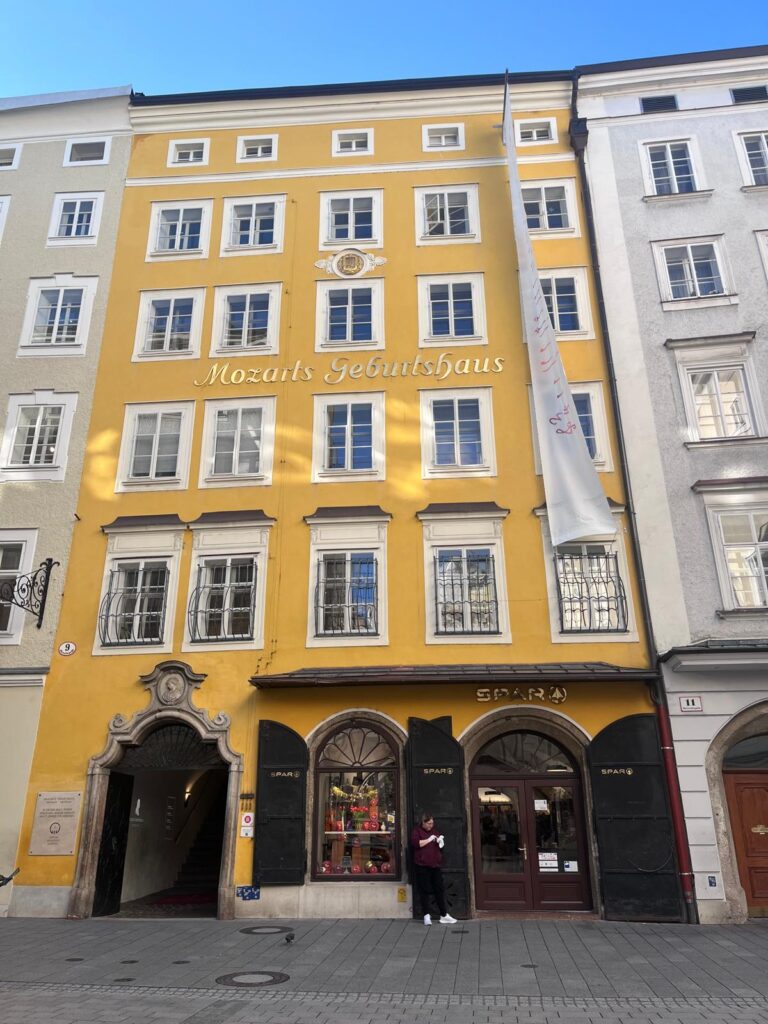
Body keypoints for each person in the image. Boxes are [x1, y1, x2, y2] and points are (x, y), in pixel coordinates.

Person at [410, 812, 457, 925]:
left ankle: (444, 914)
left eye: (432, 823)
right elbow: (416, 844)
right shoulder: (417, 831)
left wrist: (440, 842)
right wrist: (429, 839)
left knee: (439, 889)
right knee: (424, 890)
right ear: (423, 822)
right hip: (422, 865)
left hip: (435, 865)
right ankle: (426, 915)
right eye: (429, 823)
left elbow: (437, 844)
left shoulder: (434, 831)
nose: (431, 825)